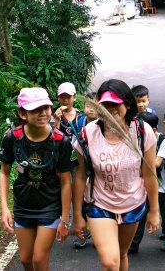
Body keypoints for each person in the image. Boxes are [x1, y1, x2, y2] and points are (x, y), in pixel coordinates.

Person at [72, 79, 160, 271]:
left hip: (133, 203)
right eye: (105, 105)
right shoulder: (87, 135)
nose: (110, 109)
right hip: (99, 204)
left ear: (127, 105)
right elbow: (80, 175)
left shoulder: (142, 131)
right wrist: (77, 215)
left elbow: (150, 174)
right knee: (110, 262)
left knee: (121, 254)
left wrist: (154, 210)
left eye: (115, 104)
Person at [0, 87, 72, 271]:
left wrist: (65, 218)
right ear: (22, 114)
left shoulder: (60, 141)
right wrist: (5, 208)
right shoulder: (12, 138)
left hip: (49, 205)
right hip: (23, 205)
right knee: (25, 260)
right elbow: (4, 172)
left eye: (46, 108)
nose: (43, 113)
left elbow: (65, 181)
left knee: (39, 259)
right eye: (35, 110)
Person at [130, 111, 165, 252]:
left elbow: (156, 164)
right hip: (149, 185)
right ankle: (133, 244)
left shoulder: (164, 141)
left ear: (151, 130)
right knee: (140, 214)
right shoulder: (138, 140)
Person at [72, 92, 98, 250]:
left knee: (97, 204)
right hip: (82, 168)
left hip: (98, 172)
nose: (92, 109)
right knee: (82, 203)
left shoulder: (105, 125)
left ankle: (97, 234)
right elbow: (74, 142)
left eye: (96, 106)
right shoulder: (80, 122)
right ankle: (82, 234)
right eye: (89, 105)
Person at [53, 82, 86, 176]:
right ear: (58, 98)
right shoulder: (54, 115)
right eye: (62, 97)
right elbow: (53, 138)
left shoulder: (81, 116)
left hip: (77, 157)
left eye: (68, 97)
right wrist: (57, 120)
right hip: (61, 156)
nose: (65, 100)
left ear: (74, 97)